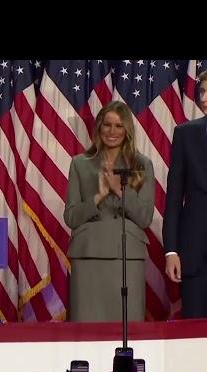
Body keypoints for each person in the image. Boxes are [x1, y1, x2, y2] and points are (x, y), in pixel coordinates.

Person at [63, 100, 154, 322]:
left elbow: (144, 217)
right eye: (107, 125)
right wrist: (98, 196)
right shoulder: (80, 163)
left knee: (127, 329)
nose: (112, 131)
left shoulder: (142, 164)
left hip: (127, 256)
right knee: (86, 332)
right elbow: (71, 217)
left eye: (119, 126)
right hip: (88, 256)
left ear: (127, 130)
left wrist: (119, 191)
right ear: (99, 127)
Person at [163, 70, 207, 319]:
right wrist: (171, 251)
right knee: (195, 340)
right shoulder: (185, 134)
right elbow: (173, 200)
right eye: (201, 91)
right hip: (195, 257)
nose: (204, 97)